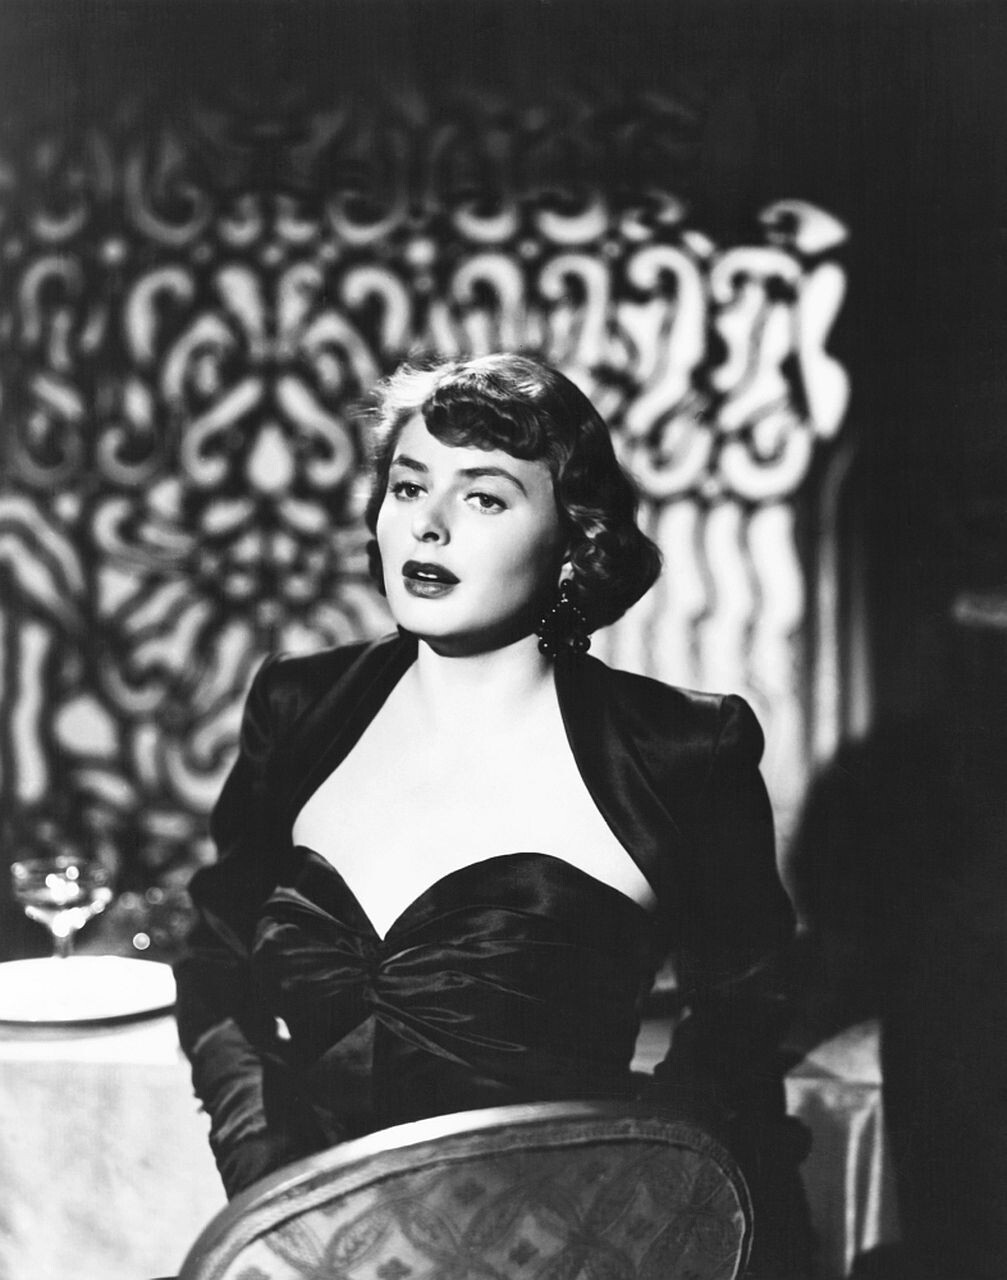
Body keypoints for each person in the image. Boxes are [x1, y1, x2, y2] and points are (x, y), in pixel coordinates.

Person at [175, 353, 811, 1276]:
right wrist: (275, 1185)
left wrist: (619, 1209)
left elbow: (741, 1019)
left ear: (573, 539)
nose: (426, 524)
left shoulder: (680, 753)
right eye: (407, 487)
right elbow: (214, 962)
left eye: (483, 497)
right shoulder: (297, 707)